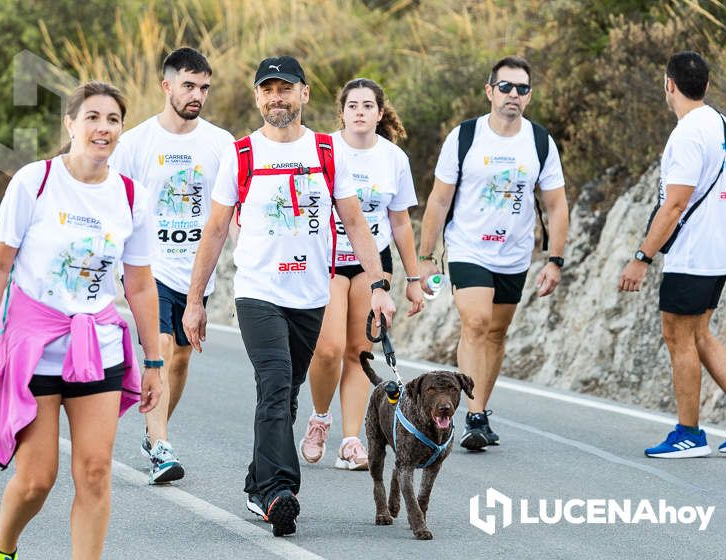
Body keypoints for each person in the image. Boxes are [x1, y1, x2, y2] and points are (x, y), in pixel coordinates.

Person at [183, 56, 396, 537]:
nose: (276, 98)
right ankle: (281, 491)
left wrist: (379, 284)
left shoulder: (326, 151)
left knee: (285, 392)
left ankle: (257, 484)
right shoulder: (241, 155)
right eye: (267, 90)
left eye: (286, 89)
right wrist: (196, 300)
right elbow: (216, 229)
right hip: (258, 292)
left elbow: (356, 222)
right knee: (277, 381)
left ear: (304, 94)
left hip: (310, 294)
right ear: (258, 97)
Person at [0, 81, 162, 560]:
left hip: (98, 346)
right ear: (70, 124)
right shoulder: (35, 181)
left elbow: (138, 283)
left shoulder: (131, 194)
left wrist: (153, 359)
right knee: (37, 480)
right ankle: (2, 550)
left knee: (95, 473)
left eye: (113, 120)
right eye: (92, 117)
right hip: (34, 346)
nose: (103, 128)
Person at [418, 56, 569, 451]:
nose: (513, 95)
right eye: (505, 87)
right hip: (469, 248)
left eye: (521, 89)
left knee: (498, 334)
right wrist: (426, 255)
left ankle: (480, 414)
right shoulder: (465, 137)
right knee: (478, 322)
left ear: (529, 96)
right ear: (490, 91)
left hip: (515, 255)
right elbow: (438, 200)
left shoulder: (539, 142)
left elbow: (556, 204)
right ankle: (472, 414)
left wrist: (555, 259)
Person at [110, 47, 234, 484]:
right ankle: (161, 444)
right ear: (167, 86)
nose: (197, 94)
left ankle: (153, 432)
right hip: (150, 267)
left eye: (203, 87)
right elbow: (113, 201)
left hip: (198, 270)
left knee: (181, 356)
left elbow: (231, 211)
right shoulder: (137, 143)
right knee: (160, 347)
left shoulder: (221, 143)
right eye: (188, 85)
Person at [619, 51, 726, 458]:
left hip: (691, 254)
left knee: (679, 337)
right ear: (706, 86)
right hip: (719, 251)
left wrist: (642, 257)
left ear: (668, 84)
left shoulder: (688, 134)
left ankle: (689, 434)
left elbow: (674, 205)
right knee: (700, 334)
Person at [299, 78, 424, 470]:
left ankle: (351, 440)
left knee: (359, 351)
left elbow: (401, 223)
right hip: (328, 259)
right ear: (342, 113)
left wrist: (414, 279)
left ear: (379, 113)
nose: (360, 112)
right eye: (353, 105)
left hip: (373, 264)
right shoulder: (322, 149)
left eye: (368, 106)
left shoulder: (393, 159)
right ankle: (320, 417)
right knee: (329, 349)